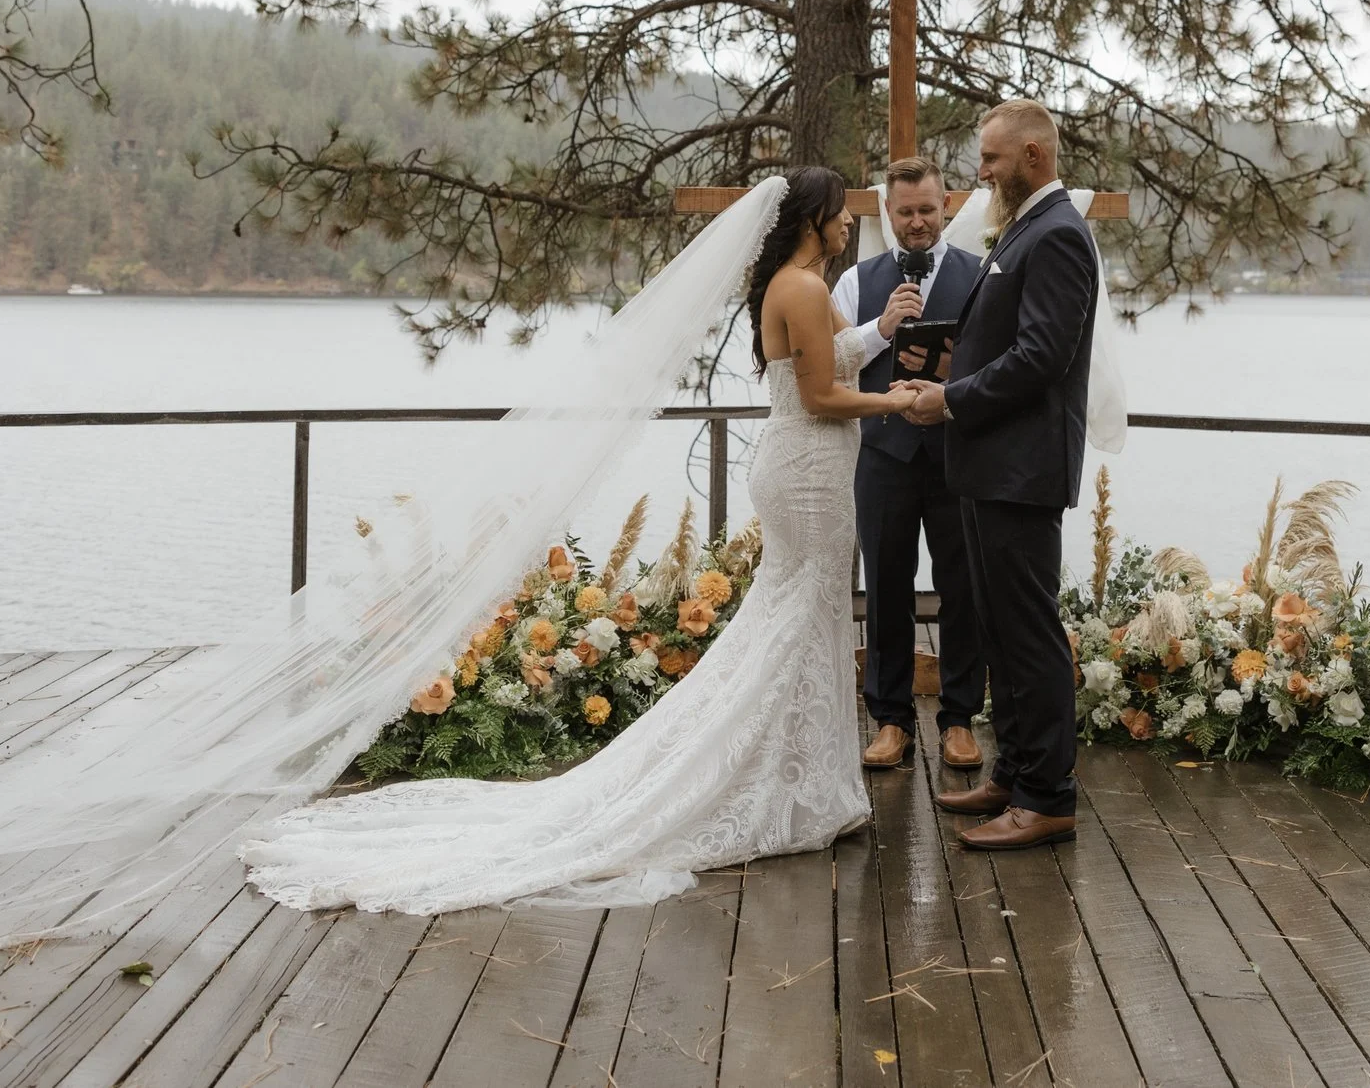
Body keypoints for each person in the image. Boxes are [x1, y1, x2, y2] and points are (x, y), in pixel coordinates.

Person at [235, 166, 921, 911]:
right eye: (840, 212)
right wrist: (898, 399)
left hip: (799, 469)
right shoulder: (807, 287)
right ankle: (792, 786)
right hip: (812, 476)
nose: (850, 222)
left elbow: (816, 365)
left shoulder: (791, 287)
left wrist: (880, 332)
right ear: (812, 218)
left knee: (793, 621)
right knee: (797, 622)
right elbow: (821, 395)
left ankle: (798, 779)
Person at [901, 99, 1097, 852]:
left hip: (1022, 468)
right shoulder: (1020, 226)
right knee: (998, 629)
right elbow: (1006, 337)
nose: (979, 172)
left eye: (991, 158)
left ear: (1035, 158)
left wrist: (950, 397)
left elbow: (1043, 356)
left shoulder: (1058, 235)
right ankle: (1015, 773)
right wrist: (949, 362)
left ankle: (1049, 796)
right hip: (989, 464)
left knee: (1030, 633)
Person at [831, 156, 986, 772]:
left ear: (945, 206)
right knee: (886, 589)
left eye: (927, 210)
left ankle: (959, 719)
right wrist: (882, 326)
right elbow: (838, 363)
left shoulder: (979, 276)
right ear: (887, 214)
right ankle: (889, 720)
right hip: (883, 457)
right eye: (905, 212)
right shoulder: (855, 282)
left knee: (962, 588)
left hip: (957, 456)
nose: (917, 222)